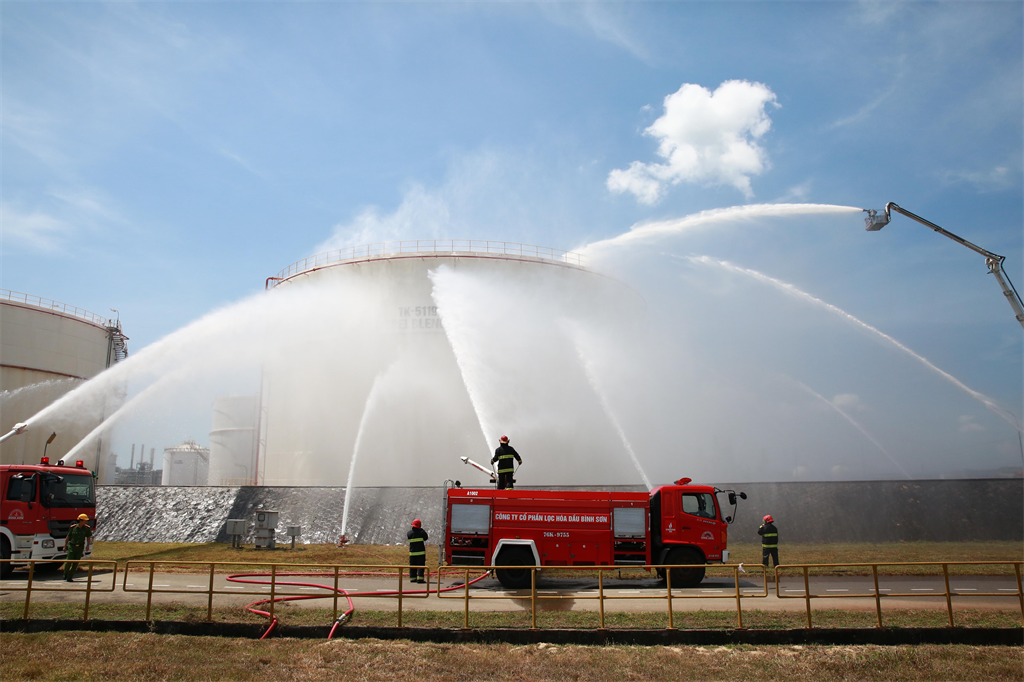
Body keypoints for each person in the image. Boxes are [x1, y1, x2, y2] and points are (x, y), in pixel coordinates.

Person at [64, 514, 92, 582]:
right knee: (69, 561)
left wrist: (88, 545)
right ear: (81, 520)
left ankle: (70, 577)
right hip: (72, 546)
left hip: (80, 547)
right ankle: (65, 573)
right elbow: (68, 537)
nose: (86, 522)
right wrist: (65, 546)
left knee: (76, 563)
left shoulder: (87, 528)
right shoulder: (73, 528)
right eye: (85, 520)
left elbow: (88, 537)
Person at [407, 518, 428, 584]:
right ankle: (420, 579)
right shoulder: (421, 532)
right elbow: (426, 538)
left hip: (412, 553)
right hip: (420, 553)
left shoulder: (409, 533)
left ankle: (412, 578)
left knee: (412, 566)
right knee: (421, 566)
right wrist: (421, 530)